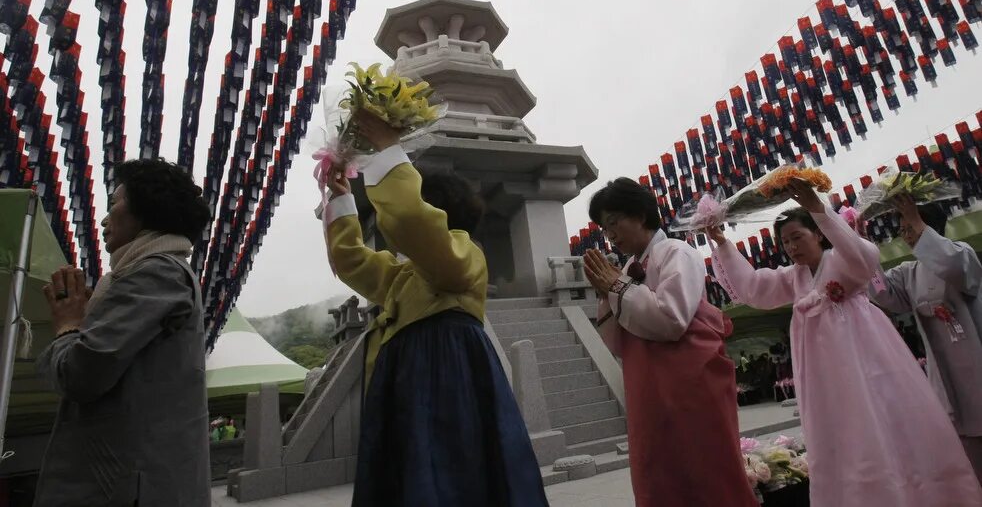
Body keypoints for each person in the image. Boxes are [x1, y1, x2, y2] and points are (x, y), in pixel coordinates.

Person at [321, 111, 548, 507]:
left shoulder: (463, 254)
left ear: (437, 215)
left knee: (450, 476)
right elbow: (352, 262)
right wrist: (340, 196)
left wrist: (391, 149)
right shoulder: (403, 275)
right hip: (404, 381)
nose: (401, 215)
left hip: (446, 377)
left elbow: (410, 219)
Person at [708, 179, 982, 507]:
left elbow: (866, 256)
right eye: (786, 243)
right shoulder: (792, 277)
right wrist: (722, 242)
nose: (792, 247)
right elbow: (753, 288)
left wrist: (818, 209)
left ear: (820, 234)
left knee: (881, 424)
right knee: (845, 438)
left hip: (866, 363)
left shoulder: (843, 260)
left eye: (798, 237)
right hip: (826, 380)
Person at [34, 159, 212, 507]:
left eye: (114, 203)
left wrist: (68, 326)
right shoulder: (159, 272)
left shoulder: (156, 273)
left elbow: (80, 375)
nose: (103, 219)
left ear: (145, 211)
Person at [583, 178, 757, 507]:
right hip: (649, 388)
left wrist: (617, 290)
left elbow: (672, 320)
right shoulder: (629, 269)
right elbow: (620, 345)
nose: (611, 236)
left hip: (688, 387)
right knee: (658, 473)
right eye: (605, 231)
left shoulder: (677, 252)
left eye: (613, 223)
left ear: (639, 214)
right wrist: (607, 293)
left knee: (705, 471)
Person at [870, 193, 982, 482]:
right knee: (968, 459)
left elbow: (952, 266)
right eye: (904, 229)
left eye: (908, 227)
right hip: (945, 374)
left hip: (976, 365)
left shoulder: (962, 254)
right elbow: (883, 292)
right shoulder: (909, 273)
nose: (904, 235)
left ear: (927, 227)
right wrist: (863, 252)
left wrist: (917, 222)